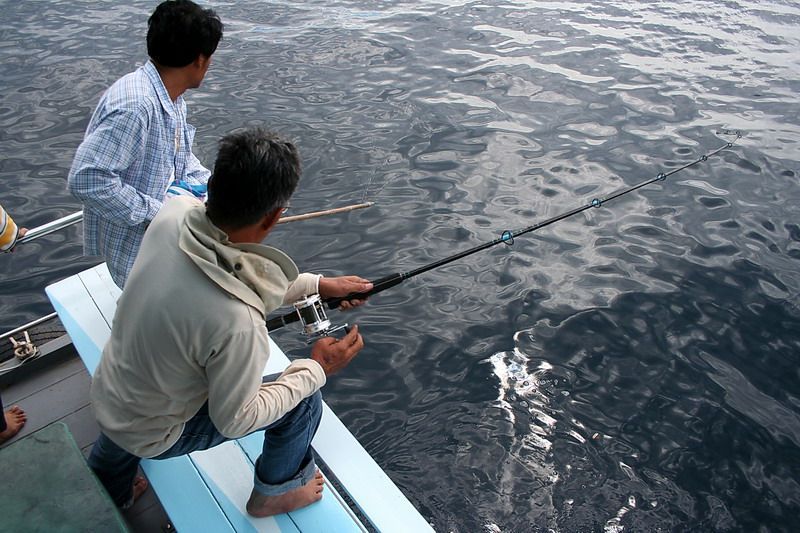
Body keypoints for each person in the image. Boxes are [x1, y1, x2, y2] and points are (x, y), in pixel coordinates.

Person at [87, 127, 372, 516]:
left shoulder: (172, 216)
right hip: (155, 432)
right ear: (274, 217)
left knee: (150, 387)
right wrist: (318, 366)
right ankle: (275, 493)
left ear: (215, 184)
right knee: (304, 399)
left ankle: (111, 485)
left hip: (112, 390)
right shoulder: (238, 323)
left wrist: (318, 286)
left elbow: (230, 272)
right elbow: (237, 420)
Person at [68, 0, 223, 288]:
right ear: (200, 59)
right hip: (138, 262)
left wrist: (223, 196)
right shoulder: (136, 106)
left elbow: (182, 161)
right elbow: (87, 180)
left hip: (160, 246)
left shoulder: (170, 97)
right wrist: (161, 215)